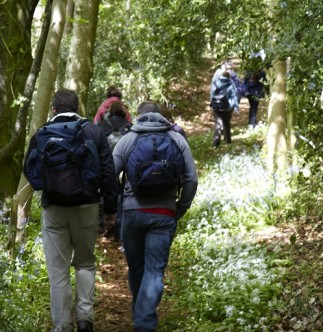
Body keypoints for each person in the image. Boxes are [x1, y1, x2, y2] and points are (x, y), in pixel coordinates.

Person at [24, 89, 119, 332]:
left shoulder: (42, 133)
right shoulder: (93, 131)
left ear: (54, 109)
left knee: (58, 271)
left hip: (53, 208)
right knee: (85, 263)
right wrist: (110, 210)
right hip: (86, 206)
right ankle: (85, 319)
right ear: (78, 109)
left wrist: (46, 186)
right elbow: (108, 173)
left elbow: (29, 168)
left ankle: (62, 326)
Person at [112, 101, 198, 331]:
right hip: (164, 212)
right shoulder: (176, 139)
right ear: (160, 116)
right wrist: (181, 206)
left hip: (132, 213)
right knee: (154, 270)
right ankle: (144, 319)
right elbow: (191, 178)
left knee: (137, 267)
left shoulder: (128, 139)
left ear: (138, 116)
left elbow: (110, 174)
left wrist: (119, 202)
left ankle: (141, 318)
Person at [97, 101, 132, 240]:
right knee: (122, 195)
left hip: (105, 165)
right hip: (125, 168)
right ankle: (119, 230)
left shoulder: (101, 127)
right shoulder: (131, 128)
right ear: (124, 113)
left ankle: (103, 227)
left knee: (103, 194)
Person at [210, 70, 239, 147]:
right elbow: (234, 95)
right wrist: (235, 107)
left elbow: (212, 94)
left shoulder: (216, 82)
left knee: (218, 124)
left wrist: (212, 104)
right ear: (229, 76)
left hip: (217, 106)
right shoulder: (231, 83)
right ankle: (228, 141)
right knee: (227, 123)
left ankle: (216, 143)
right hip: (227, 107)